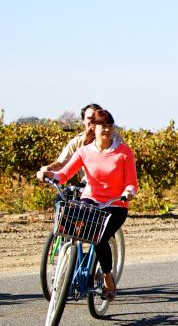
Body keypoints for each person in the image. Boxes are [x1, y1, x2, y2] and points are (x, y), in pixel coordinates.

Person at [44, 108, 138, 300]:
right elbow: (64, 174)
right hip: (91, 200)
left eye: (110, 126)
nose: (107, 130)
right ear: (93, 127)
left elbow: (131, 183)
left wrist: (128, 192)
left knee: (99, 237)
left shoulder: (124, 152)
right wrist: (48, 174)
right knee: (71, 224)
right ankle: (71, 262)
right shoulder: (84, 151)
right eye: (103, 126)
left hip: (115, 204)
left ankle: (107, 277)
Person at [37, 103, 124, 185]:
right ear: (83, 121)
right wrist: (49, 170)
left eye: (96, 118)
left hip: (111, 191)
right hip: (87, 189)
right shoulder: (79, 144)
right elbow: (62, 164)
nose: (92, 122)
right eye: (90, 118)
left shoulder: (115, 140)